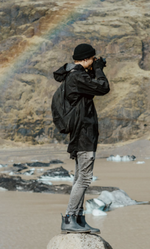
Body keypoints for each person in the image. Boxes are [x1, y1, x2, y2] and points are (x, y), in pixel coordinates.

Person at [52, 43, 110, 234]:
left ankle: (78, 218)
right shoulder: (77, 76)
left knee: (80, 177)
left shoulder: (76, 76)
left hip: (82, 134)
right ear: (85, 59)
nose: (94, 61)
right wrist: (99, 70)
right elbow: (103, 87)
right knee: (84, 178)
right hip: (84, 134)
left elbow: (91, 86)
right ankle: (69, 218)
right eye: (93, 59)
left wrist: (95, 70)